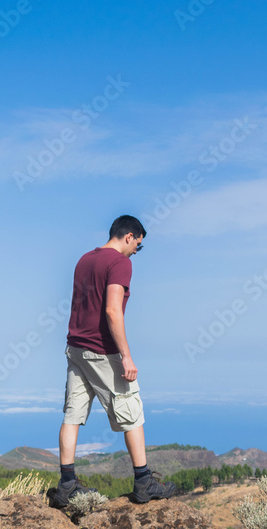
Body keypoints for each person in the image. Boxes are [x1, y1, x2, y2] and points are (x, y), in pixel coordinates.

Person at [49, 214, 177, 507]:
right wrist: (126, 356)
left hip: (75, 347)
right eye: (138, 245)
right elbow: (111, 311)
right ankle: (144, 482)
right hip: (101, 349)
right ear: (129, 236)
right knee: (131, 410)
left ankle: (66, 485)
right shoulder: (120, 263)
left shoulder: (84, 260)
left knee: (72, 415)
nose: (136, 252)